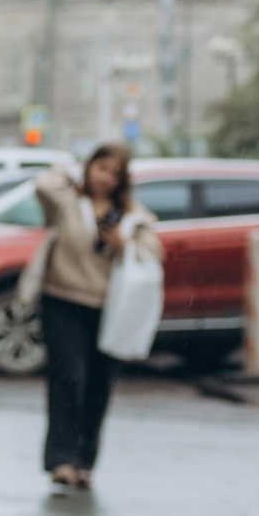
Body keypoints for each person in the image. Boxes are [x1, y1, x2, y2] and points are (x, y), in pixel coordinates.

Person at [27, 138, 162, 491]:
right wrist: (69, 171)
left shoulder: (131, 215)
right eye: (101, 168)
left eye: (115, 173)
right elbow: (43, 185)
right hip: (63, 300)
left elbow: (154, 252)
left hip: (111, 309)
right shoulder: (68, 203)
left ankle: (85, 462)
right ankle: (62, 460)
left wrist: (123, 243)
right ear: (88, 167)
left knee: (98, 385)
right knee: (69, 377)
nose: (106, 178)